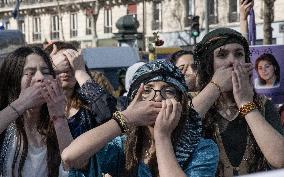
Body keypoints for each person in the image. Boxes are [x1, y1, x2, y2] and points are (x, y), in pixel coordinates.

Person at [61, 60, 219, 177]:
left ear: (181, 102)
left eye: (168, 90)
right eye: (147, 90)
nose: (157, 98)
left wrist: (162, 137)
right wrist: (126, 117)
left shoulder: (202, 149)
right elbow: (70, 157)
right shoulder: (123, 145)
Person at [193, 27, 284, 176]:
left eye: (239, 54)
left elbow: (280, 159)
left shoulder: (262, 104)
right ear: (209, 64)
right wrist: (215, 87)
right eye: (222, 55)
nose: (232, 62)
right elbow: (179, 129)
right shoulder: (191, 100)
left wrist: (244, 102)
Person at [0, 46, 71, 177]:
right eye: (30, 73)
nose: (40, 78)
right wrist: (21, 104)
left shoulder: (67, 122)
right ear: (14, 80)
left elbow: (73, 166)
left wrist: (59, 118)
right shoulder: (6, 125)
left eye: (45, 71)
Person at [44, 42, 117, 139]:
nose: (66, 72)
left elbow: (110, 116)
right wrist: (48, 68)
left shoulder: (88, 104)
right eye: (61, 67)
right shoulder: (41, 105)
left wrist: (80, 72)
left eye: (71, 66)